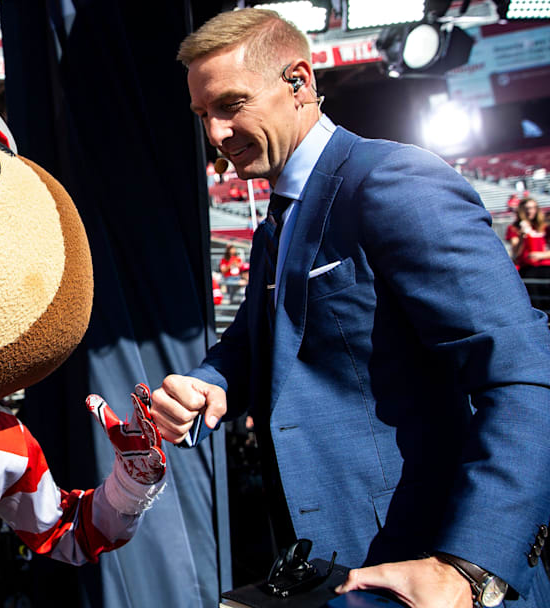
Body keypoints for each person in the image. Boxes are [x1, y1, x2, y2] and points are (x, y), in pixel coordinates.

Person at [151, 9, 550, 608]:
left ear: (301, 83)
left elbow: (524, 374)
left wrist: (470, 565)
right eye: (204, 114)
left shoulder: (394, 180)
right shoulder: (277, 219)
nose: (215, 133)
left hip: (430, 570)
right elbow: (260, 341)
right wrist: (209, 385)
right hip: (334, 572)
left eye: (232, 104)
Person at [505, 198, 550, 312]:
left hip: (546, 266)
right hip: (528, 269)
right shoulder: (514, 228)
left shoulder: (544, 227)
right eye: (527, 209)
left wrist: (542, 255)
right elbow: (516, 253)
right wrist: (522, 237)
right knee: (536, 302)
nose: (530, 211)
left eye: (533, 208)